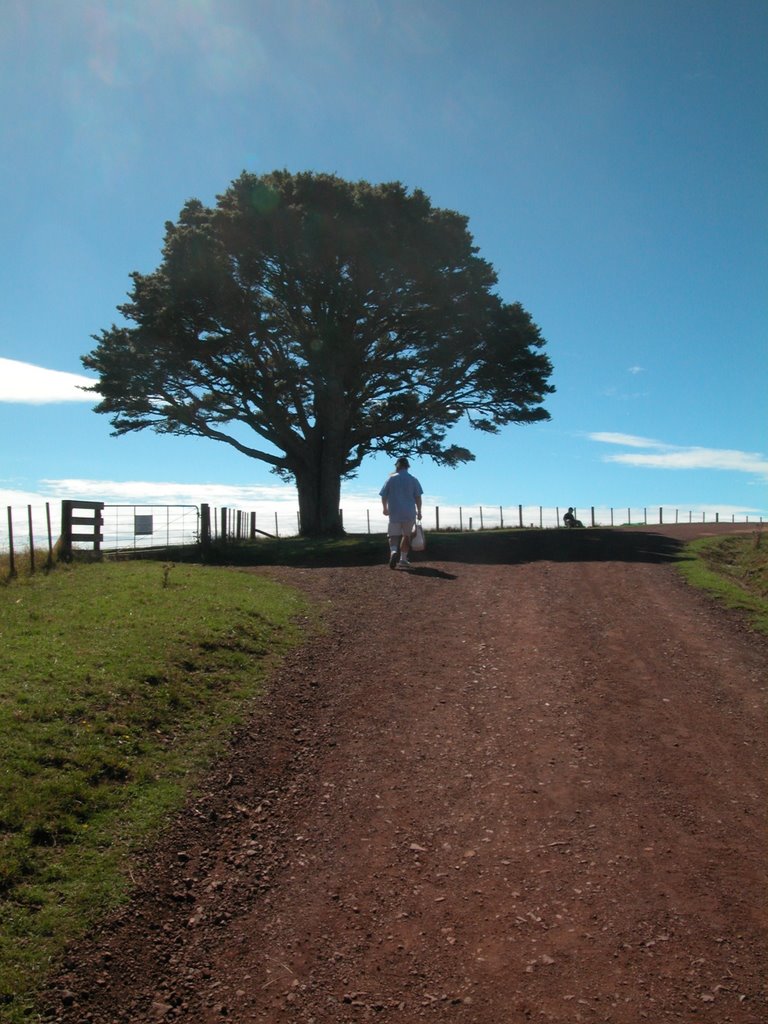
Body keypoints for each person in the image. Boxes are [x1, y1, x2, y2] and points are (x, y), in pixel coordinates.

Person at [380, 457, 423, 568]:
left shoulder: (391, 479)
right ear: (408, 466)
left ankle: (394, 551)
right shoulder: (413, 479)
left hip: (394, 511)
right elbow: (418, 497)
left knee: (393, 535)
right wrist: (419, 511)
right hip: (409, 512)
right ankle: (403, 559)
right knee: (406, 536)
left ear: (397, 466)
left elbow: (383, 495)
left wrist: (385, 508)